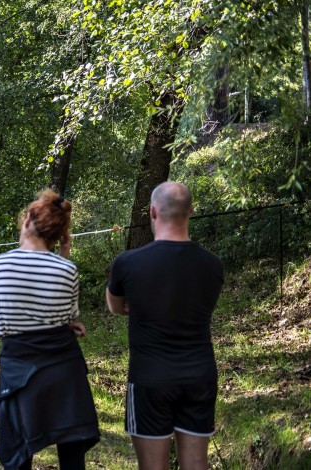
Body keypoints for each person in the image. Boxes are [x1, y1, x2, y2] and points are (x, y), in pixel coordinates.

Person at [106, 182, 224, 470]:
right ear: (191, 211)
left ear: (153, 211)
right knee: (196, 464)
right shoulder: (213, 265)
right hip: (199, 375)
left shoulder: (128, 263)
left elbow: (115, 306)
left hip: (149, 378)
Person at [0, 190, 100, 470]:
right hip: (63, 366)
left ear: (27, 220)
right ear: (58, 234)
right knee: (72, 455)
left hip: (19, 367)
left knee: (17, 453)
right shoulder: (66, 269)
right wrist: (63, 256)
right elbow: (70, 315)